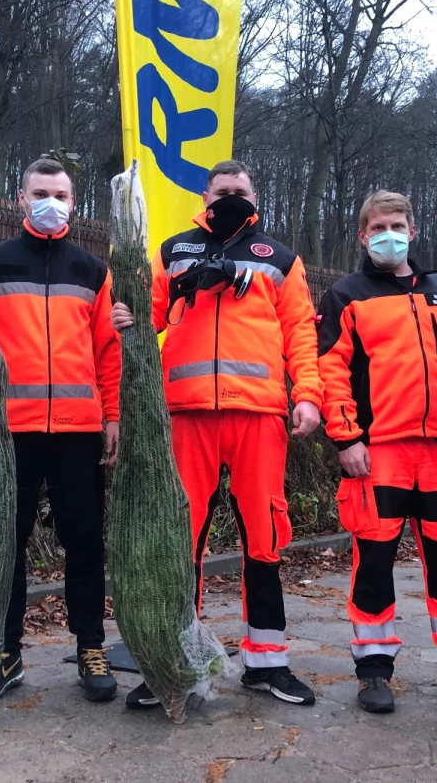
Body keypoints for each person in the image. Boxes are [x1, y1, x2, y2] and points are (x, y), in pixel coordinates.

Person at [110, 159, 324, 707]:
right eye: (222, 190)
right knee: (180, 542)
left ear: (256, 197)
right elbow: (139, 318)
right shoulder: (173, 250)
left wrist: (308, 395)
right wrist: (150, 306)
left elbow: (301, 332)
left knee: (265, 537)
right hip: (187, 414)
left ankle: (266, 663)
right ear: (204, 196)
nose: (231, 196)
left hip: (258, 415)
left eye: (241, 190)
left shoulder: (280, 258)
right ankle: (173, 662)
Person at [315, 190, 437, 714]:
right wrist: (346, 438)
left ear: (413, 230)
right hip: (378, 451)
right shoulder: (346, 295)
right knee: (374, 563)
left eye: (399, 224)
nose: (390, 234)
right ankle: (374, 668)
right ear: (363, 235)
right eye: (379, 226)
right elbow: (329, 373)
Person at [0, 157, 121, 703]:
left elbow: (107, 352)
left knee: (84, 543)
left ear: (73, 203)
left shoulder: (92, 270)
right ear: (20, 198)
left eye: (60, 194)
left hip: (78, 432)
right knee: (6, 546)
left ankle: (91, 649)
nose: (51, 202)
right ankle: (6, 652)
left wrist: (112, 417)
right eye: (41, 192)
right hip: (7, 433)